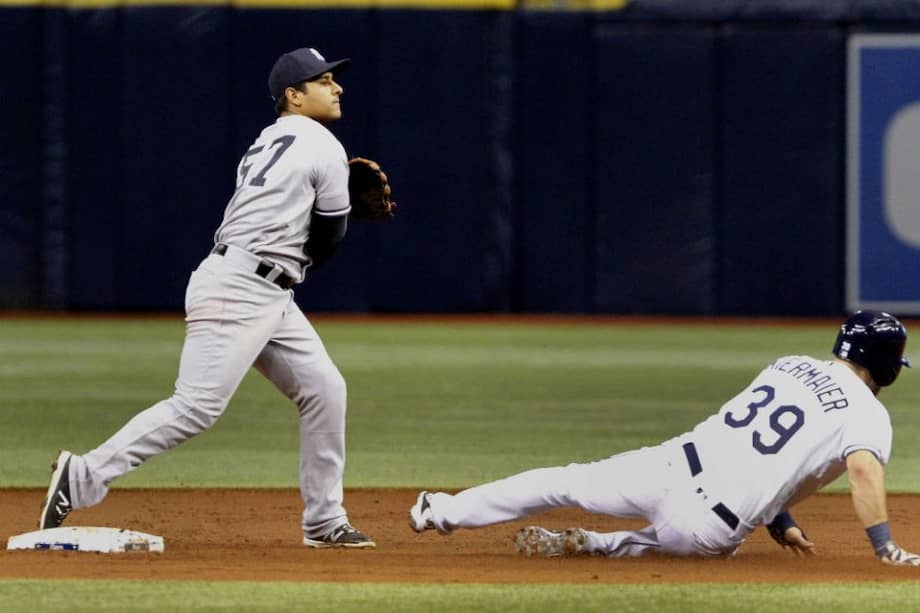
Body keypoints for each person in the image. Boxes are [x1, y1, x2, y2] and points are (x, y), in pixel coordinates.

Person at [39, 46, 375, 549]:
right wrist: (341, 213)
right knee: (195, 407)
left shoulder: (267, 139)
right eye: (323, 81)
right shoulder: (322, 142)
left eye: (333, 79)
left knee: (325, 390)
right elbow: (329, 235)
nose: (337, 87)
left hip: (261, 287)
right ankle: (83, 475)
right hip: (242, 287)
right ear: (294, 95)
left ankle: (324, 522)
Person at [409, 310, 920, 565]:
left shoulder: (787, 364)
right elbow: (859, 470)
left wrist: (779, 518)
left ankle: (440, 511)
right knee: (682, 544)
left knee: (560, 482)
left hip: (670, 464)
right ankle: (592, 543)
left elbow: (760, 448)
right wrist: (885, 547)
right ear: (887, 367)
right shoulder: (867, 414)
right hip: (708, 522)